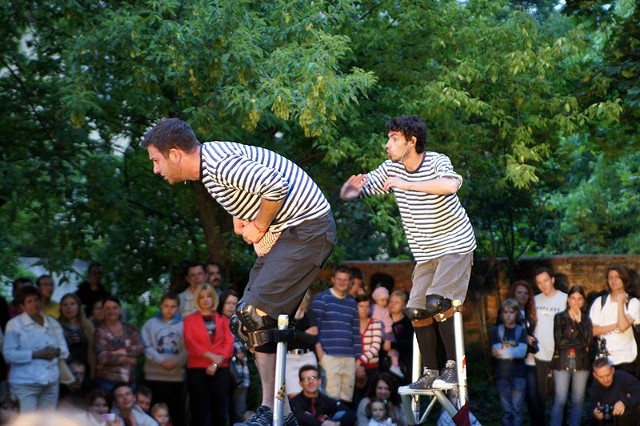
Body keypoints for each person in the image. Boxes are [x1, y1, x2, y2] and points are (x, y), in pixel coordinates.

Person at [142, 118, 336, 426]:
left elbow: (275, 186)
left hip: (306, 229)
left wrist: (258, 224)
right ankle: (278, 412)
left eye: (156, 160)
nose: (155, 169)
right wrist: (240, 217)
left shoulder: (218, 166)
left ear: (175, 153)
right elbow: (245, 191)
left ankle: (274, 411)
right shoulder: (210, 169)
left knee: (255, 315)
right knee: (246, 322)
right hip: (287, 234)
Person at [340, 115, 476, 390]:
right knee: (415, 310)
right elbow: (357, 191)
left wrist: (407, 185)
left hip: (455, 246)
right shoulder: (390, 170)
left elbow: (450, 185)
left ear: (412, 142)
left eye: (394, 139)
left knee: (438, 302)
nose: (387, 145)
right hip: (425, 254)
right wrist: (349, 190)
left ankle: (452, 368)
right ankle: (430, 372)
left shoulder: (437, 161)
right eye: (388, 138)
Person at [2, 285, 69, 411]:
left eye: (36, 299)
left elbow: (64, 350)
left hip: (51, 381)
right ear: (22, 306)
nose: (34, 304)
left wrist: (56, 351)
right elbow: (9, 354)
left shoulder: (52, 322)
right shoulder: (14, 324)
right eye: (29, 301)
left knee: (47, 421)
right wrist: (36, 354)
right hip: (25, 383)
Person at [183, 283, 234, 426]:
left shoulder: (223, 320)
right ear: (197, 300)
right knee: (199, 410)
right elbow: (190, 343)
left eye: (209, 296)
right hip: (197, 369)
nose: (205, 300)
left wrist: (216, 363)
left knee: (220, 410)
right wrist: (212, 358)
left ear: (214, 299)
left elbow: (228, 344)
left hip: (220, 369)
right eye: (202, 297)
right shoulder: (189, 320)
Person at [312, 266, 362, 404]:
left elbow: (355, 332)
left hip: (349, 358)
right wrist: (321, 355)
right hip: (329, 356)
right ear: (332, 279)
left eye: (345, 280)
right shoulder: (321, 299)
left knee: (347, 398)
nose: (342, 282)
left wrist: (358, 358)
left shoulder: (352, 303)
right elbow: (314, 329)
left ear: (350, 282)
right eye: (339, 279)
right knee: (330, 397)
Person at [500, 280, 543, 425]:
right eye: (519, 292)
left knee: (533, 400)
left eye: (526, 293)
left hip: (528, 361)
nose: (523, 295)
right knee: (512, 406)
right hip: (511, 364)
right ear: (513, 293)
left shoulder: (529, 313)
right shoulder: (507, 311)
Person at [141, 293, 186, 426]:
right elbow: (146, 346)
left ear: (178, 307)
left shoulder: (184, 326)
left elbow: (188, 348)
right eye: (166, 306)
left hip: (175, 378)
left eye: (173, 306)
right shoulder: (150, 324)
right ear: (161, 306)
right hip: (153, 377)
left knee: (175, 414)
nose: (169, 309)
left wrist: (176, 361)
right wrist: (161, 360)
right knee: (153, 414)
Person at [550, 285, 593, 426]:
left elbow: (588, 343)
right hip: (562, 362)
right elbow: (560, 342)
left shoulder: (586, 320)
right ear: (568, 300)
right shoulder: (559, 317)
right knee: (560, 399)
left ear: (583, 301)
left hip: (582, 363)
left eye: (579, 299)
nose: (576, 302)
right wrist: (580, 344)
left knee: (578, 400)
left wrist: (579, 323)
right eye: (573, 298)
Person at [589, 264, 640, 374]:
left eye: (617, 277)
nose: (613, 280)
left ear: (624, 279)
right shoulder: (599, 302)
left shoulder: (633, 303)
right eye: (610, 277)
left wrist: (620, 303)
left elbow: (623, 327)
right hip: (604, 358)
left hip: (626, 358)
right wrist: (616, 325)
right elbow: (593, 331)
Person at [533, 267, 568, 418]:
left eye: (546, 281)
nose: (543, 285)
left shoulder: (566, 299)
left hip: (560, 355)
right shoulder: (534, 300)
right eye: (539, 283)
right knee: (540, 396)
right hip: (539, 355)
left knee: (560, 396)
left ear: (552, 280)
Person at [94, 297, 144, 392]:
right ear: (103, 311)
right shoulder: (99, 331)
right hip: (107, 382)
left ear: (120, 309)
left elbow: (140, 349)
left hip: (129, 380)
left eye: (114, 307)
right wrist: (128, 358)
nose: (111, 311)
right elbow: (102, 357)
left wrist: (117, 352)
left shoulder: (130, 328)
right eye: (108, 308)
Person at [491, 298, 528, 426]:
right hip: (502, 375)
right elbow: (495, 352)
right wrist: (513, 351)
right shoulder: (497, 330)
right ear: (502, 314)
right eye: (505, 312)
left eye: (511, 312)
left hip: (519, 375)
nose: (508, 315)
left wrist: (503, 351)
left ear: (516, 314)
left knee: (517, 409)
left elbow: (522, 352)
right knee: (506, 411)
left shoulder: (521, 331)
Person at [218, 290, 251, 424]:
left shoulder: (242, 322)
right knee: (221, 410)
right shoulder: (216, 321)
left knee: (238, 412)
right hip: (222, 369)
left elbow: (250, 344)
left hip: (241, 372)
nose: (231, 306)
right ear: (221, 304)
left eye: (234, 303)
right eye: (228, 303)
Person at [289, 365, 355, 426]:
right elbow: (303, 419)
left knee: (341, 414)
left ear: (319, 381)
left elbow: (351, 414)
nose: (310, 382)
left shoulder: (326, 400)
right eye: (306, 379)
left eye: (313, 378)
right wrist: (323, 424)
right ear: (301, 383)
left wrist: (336, 423)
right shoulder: (294, 403)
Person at [285, 291, 319, 399]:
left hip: (308, 357)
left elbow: (313, 339)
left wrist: (294, 333)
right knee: (293, 395)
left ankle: (310, 416)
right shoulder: (286, 314)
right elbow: (284, 336)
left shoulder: (310, 313)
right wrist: (304, 334)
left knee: (311, 393)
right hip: (290, 359)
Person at [589, 357, 640, 424]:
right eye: (601, 377)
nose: (605, 380)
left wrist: (625, 402)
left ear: (612, 370)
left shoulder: (623, 377)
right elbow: (592, 406)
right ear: (595, 375)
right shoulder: (595, 386)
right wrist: (595, 413)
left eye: (608, 375)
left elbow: (638, 391)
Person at [58, 293, 96, 378]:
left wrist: (93, 373)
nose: (69, 307)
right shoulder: (56, 325)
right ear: (61, 307)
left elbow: (93, 350)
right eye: (65, 305)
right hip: (64, 369)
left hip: (85, 367)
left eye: (72, 304)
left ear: (78, 306)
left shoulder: (87, 324)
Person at [369, 288, 401, 379]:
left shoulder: (385, 309)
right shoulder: (375, 309)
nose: (384, 302)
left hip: (386, 332)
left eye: (386, 300)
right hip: (383, 332)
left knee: (393, 351)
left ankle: (395, 365)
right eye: (382, 300)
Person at [386, 291, 413, 385]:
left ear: (404, 305)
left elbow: (410, 343)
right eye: (391, 301)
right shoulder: (384, 320)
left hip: (404, 364)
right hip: (386, 363)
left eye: (397, 302)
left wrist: (392, 344)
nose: (392, 304)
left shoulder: (407, 323)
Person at [356, 295, 383, 383]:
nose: (364, 309)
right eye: (361, 306)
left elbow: (376, 346)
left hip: (372, 367)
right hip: (354, 367)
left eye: (367, 306)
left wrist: (360, 361)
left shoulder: (375, 323)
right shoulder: (352, 325)